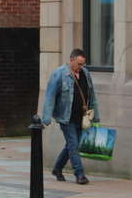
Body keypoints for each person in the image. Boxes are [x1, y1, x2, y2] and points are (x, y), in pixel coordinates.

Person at [42, 48, 100, 185]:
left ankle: (57, 168)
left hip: (82, 118)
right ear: (71, 60)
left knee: (72, 145)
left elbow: (92, 96)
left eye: (83, 64)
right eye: (79, 64)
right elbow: (50, 96)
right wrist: (46, 117)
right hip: (66, 118)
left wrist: (95, 116)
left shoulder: (86, 73)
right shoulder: (59, 74)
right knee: (73, 145)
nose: (81, 67)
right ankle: (79, 174)